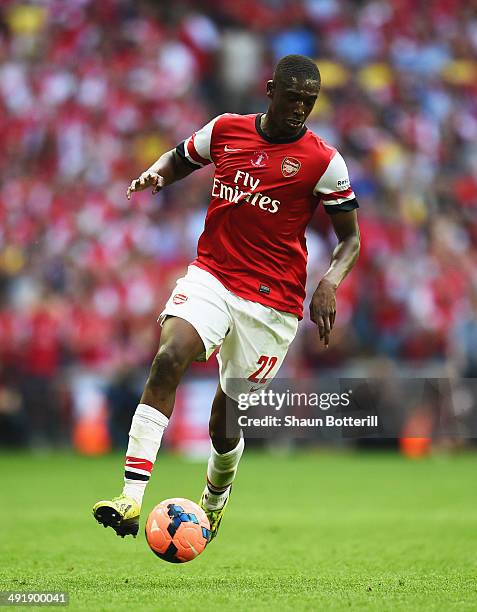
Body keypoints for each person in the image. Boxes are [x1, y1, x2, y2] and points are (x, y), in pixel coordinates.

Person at [93, 54, 360, 541]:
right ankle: (130, 498)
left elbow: (351, 239)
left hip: (273, 305)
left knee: (225, 419)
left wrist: (328, 283)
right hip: (212, 276)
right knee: (168, 356)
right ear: (270, 89)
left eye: (309, 101)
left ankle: (213, 503)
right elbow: (181, 157)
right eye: (293, 97)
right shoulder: (225, 130)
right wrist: (156, 174)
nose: (301, 108)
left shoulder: (324, 160)